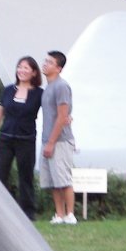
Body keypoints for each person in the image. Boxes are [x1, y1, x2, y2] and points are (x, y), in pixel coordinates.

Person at [0, 56, 44, 219]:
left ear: (33, 72)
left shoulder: (39, 93)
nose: (22, 71)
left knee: (25, 176)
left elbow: (51, 110)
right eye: (20, 67)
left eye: (26, 68)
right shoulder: (8, 90)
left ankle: (27, 212)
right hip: (6, 138)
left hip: (26, 139)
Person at [39, 50, 76, 225]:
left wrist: (51, 143)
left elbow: (62, 116)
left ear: (59, 68)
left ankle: (70, 214)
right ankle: (59, 214)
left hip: (60, 141)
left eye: (50, 62)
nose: (45, 64)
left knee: (63, 179)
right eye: (45, 61)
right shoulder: (48, 87)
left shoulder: (61, 86)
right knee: (53, 180)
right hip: (47, 139)